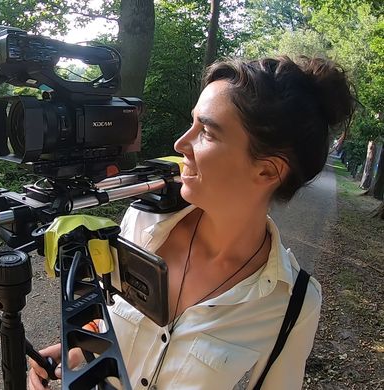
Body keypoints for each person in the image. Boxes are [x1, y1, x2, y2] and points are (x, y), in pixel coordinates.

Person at [28, 56, 355, 389]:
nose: (181, 144)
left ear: (268, 170)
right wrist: (78, 352)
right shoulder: (143, 224)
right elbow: (110, 322)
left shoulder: (293, 304)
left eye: (207, 133)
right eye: (192, 123)